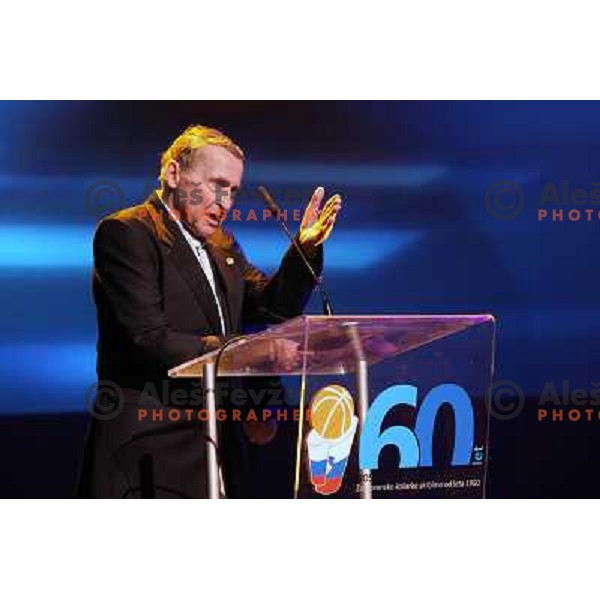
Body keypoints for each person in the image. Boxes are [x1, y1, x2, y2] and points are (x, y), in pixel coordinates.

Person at [77, 124, 342, 498]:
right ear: (173, 174)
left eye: (232, 191)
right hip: (150, 451)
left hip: (217, 446)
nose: (225, 202)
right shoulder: (127, 233)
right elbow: (148, 338)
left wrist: (304, 249)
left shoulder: (222, 245)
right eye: (217, 185)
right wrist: (247, 351)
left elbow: (269, 307)